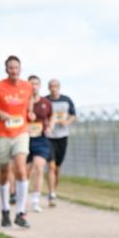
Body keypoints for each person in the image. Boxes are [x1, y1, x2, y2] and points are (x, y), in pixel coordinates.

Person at [0, 55, 34, 228]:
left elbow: (30, 100)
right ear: (6, 70)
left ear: (20, 69)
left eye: (16, 68)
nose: (14, 71)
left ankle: (20, 213)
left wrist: (30, 112)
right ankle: (5, 210)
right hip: (1, 134)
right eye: (11, 68)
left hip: (21, 133)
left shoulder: (27, 87)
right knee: (5, 172)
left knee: (21, 168)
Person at [45, 79, 76, 207]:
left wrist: (67, 122)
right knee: (51, 166)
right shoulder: (45, 101)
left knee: (57, 168)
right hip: (49, 136)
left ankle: (54, 189)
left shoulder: (67, 100)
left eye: (56, 86)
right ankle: (51, 193)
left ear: (59, 87)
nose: (54, 88)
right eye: (51, 86)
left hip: (62, 136)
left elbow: (73, 115)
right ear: (48, 88)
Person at [26, 75, 54, 213]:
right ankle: (20, 195)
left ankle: (36, 200)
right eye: (31, 84)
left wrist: (50, 126)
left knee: (39, 167)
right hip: (25, 139)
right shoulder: (23, 102)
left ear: (40, 85)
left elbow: (51, 116)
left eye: (36, 83)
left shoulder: (46, 102)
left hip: (41, 139)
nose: (34, 86)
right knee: (24, 172)